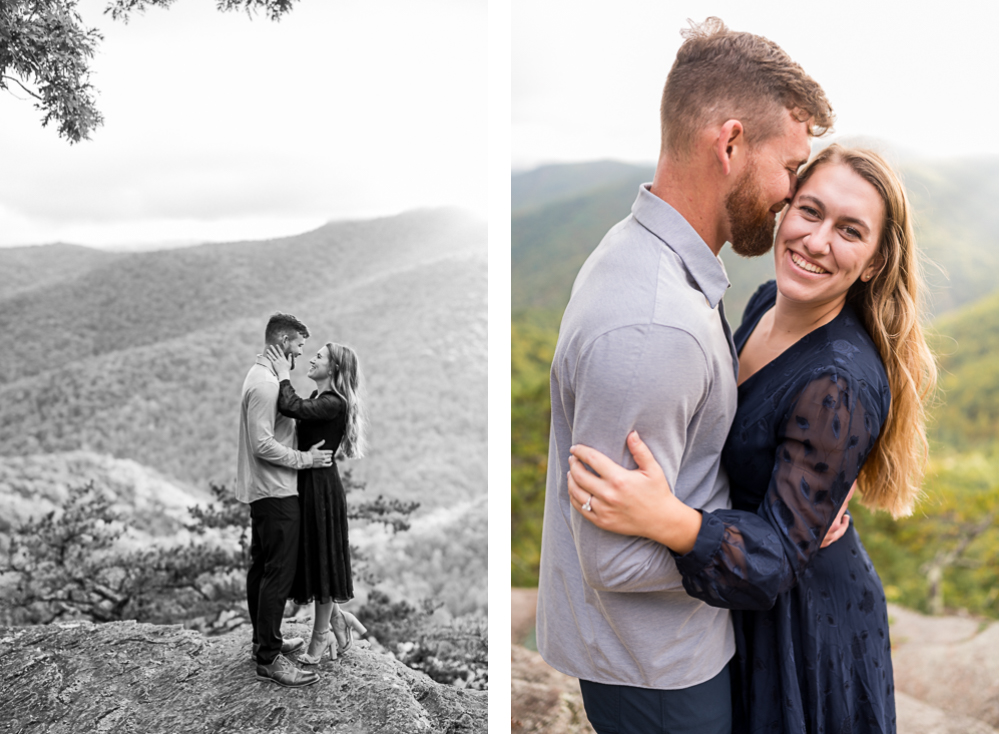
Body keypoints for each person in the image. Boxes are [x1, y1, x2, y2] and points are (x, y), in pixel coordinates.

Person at [567, 144, 936, 733]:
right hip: (738, 597)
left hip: (804, 619)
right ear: (784, 212)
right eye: (809, 212)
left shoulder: (837, 380)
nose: (817, 241)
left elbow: (781, 559)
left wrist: (666, 518)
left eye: (849, 230)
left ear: (871, 262)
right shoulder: (767, 304)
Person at [535, 17, 834, 734]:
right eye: (791, 167)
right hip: (660, 673)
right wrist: (772, 538)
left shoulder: (646, 251)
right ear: (729, 144)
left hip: (655, 660)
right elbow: (615, 559)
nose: (792, 196)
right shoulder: (655, 325)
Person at [236, 312, 333, 688]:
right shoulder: (265, 385)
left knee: (261, 568)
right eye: (298, 345)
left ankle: (265, 640)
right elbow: (262, 444)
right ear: (281, 343)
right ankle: (269, 659)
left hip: (265, 490)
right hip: (276, 490)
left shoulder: (260, 375)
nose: (300, 353)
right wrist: (305, 460)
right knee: (277, 573)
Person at [266, 340, 369, 665]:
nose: (312, 359)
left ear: (334, 368)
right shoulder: (321, 398)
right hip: (311, 482)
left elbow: (290, 406)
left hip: (321, 488)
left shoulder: (333, 403)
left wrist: (283, 374)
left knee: (322, 557)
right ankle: (337, 618)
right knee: (315, 556)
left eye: (320, 357)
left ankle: (321, 636)